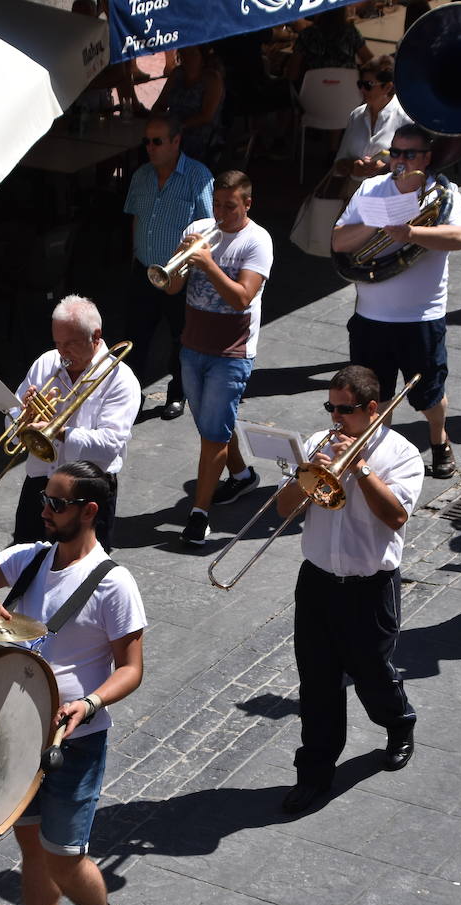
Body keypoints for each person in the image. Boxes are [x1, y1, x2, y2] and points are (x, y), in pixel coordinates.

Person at [0, 460, 145, 905]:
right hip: (16, 731)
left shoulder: (114, 583)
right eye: (43, 500)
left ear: (89, 510)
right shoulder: (30, 556)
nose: (45, 511)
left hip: (74, 740)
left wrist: (90, 703)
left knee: (64, 857)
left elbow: (131, 668)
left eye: (56, 503)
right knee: (32, 846)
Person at [274, 365, 422, 815]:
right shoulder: (319, 443)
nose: (336, 418)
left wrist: (358, 469)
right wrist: (305, 474)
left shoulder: (401, 454)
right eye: (331, 408)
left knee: (372, 674)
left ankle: (398, 722)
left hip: (369, 588)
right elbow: (281, 511)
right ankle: (315, 774)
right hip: (317, 583)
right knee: (317, 684)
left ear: (371, 408)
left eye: (346, 410)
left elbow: (395, 516)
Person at [332, 124, 461, 480]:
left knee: (428, 395)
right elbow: (339, 241)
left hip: (421, 316)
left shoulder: (443, 192)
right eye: (395, 152)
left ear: (426, 158)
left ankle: (439, 439)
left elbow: (460, 237)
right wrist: (379, 222)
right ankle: (377, 460)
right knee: (374, 396)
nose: (400, 160)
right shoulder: (371, 189)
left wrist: (410, 232)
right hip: (370, 317)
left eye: (409, 154)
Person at [163, 171, 273, 547]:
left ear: (247, 204)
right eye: (217, 205)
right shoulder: (199, 228)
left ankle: (199, 514)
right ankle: (242, 477)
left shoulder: (257, 242)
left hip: (232, 352)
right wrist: (179, 260)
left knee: (212, 436)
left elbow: (242, 297)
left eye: (230, 206)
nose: (221, 213)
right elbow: (173, 286)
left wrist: (208, 264)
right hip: (193, 345)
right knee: (213, 426)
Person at [11, 296, 141, 552]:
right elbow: (13, 425)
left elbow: (108, 446)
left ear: (95, 336)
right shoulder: (46, 362)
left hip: (88, 490)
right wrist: (24, 417)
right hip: (41, 481)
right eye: (58, 343)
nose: (62, 352)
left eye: (70, 344)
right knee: (24, 563)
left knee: (82, 576)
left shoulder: (121, 380)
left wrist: (57, 431)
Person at [122, 114, 214, 421]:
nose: (150, 147)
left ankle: (178, 394)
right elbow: (135, 218)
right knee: (136, 336)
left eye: (157, 141)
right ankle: (131, 396)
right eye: (147, 141)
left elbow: (208, 230)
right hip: (145, 270)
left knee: (180, 338)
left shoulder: (198, 177)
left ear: (176, 141)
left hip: (179, 276)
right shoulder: (141, 176)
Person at [331, 55, 412, 190]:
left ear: (387, 87)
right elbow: (338, 164)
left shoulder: (406, 120)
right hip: (354, 195)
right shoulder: (356, 115)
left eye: (368, 85)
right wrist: (352, 166)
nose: (362, 90)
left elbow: (416, 170)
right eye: (360, 84)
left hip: (390, 195)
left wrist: (386, 170)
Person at [151, 45, 225, 162]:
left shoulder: (212, 79)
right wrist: (157, 118)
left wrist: (179, 126)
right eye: (183, 53)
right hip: (172, 131)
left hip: (202, 137)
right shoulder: (177, 74)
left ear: (202, 55)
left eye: (191, 53)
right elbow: (160, 104)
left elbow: (206, 116)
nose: (186, 58)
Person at [286, 7, 373, 83]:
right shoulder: (350, 32)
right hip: (348, 96)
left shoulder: (306, 34)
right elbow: (370, 62)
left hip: (312, 97)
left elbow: (292, 74)